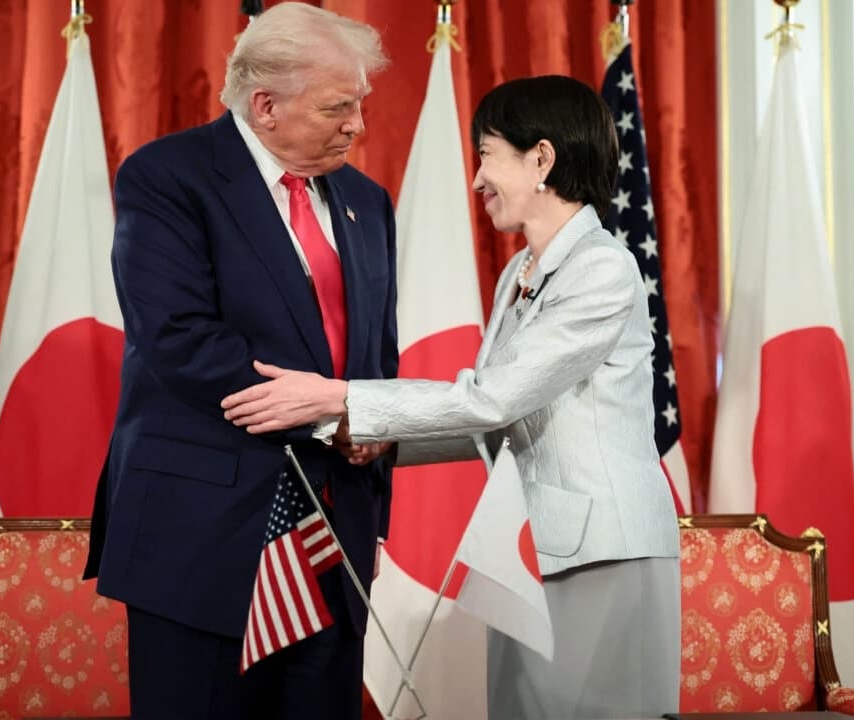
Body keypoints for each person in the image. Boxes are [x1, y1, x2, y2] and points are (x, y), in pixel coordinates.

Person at [222, 75, 682, 719]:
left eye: (489, 154)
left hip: (600, 553)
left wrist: (340, 398)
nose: (477, 179)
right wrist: (385, 442)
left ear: (542, 159)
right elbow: (501, 423)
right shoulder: (518, 275)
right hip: (530, 550)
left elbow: (494, 399)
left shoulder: (601, 268)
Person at [83, 4, 398, 719]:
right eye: (338, 107)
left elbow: (376, 352)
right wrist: (332, 417)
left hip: (334, 531)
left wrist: (374, 418)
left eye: (359, 104)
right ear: (266, 106)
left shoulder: (366, 201)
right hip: (202, 530)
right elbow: (181, 338)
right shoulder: (168, 177)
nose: (358, 125)